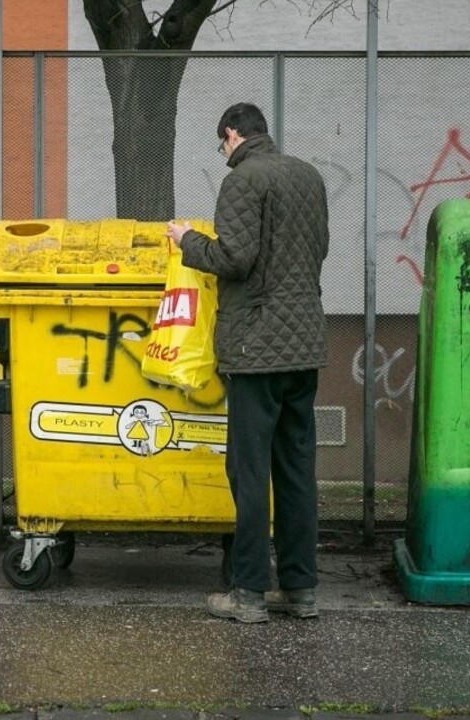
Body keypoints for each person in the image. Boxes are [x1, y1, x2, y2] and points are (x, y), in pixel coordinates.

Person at [165, 102, 329, 623]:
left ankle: (249, 593)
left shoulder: (243, 180)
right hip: (304, 346)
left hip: (257, 348)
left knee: (250, 470)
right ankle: (301, 590)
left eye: (222, 145)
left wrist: (186, 241)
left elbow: (233, 258)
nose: (224, 154)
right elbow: (317, 249)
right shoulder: (308, 176)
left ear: (232, 134)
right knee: (297, 468)